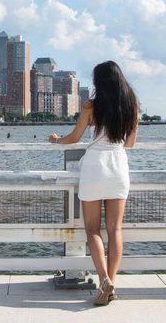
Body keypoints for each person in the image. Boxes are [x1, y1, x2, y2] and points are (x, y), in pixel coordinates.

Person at [48, 60, 139, 306]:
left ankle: (104, 280)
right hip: (118, 166)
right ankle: (112, 283)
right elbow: (130, 144)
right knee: (115, 230)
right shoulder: (132, 105)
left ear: (99, 82)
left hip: (95, 166)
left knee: (92, 230)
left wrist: (56, 140)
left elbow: (74, 138)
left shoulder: (91, 106)